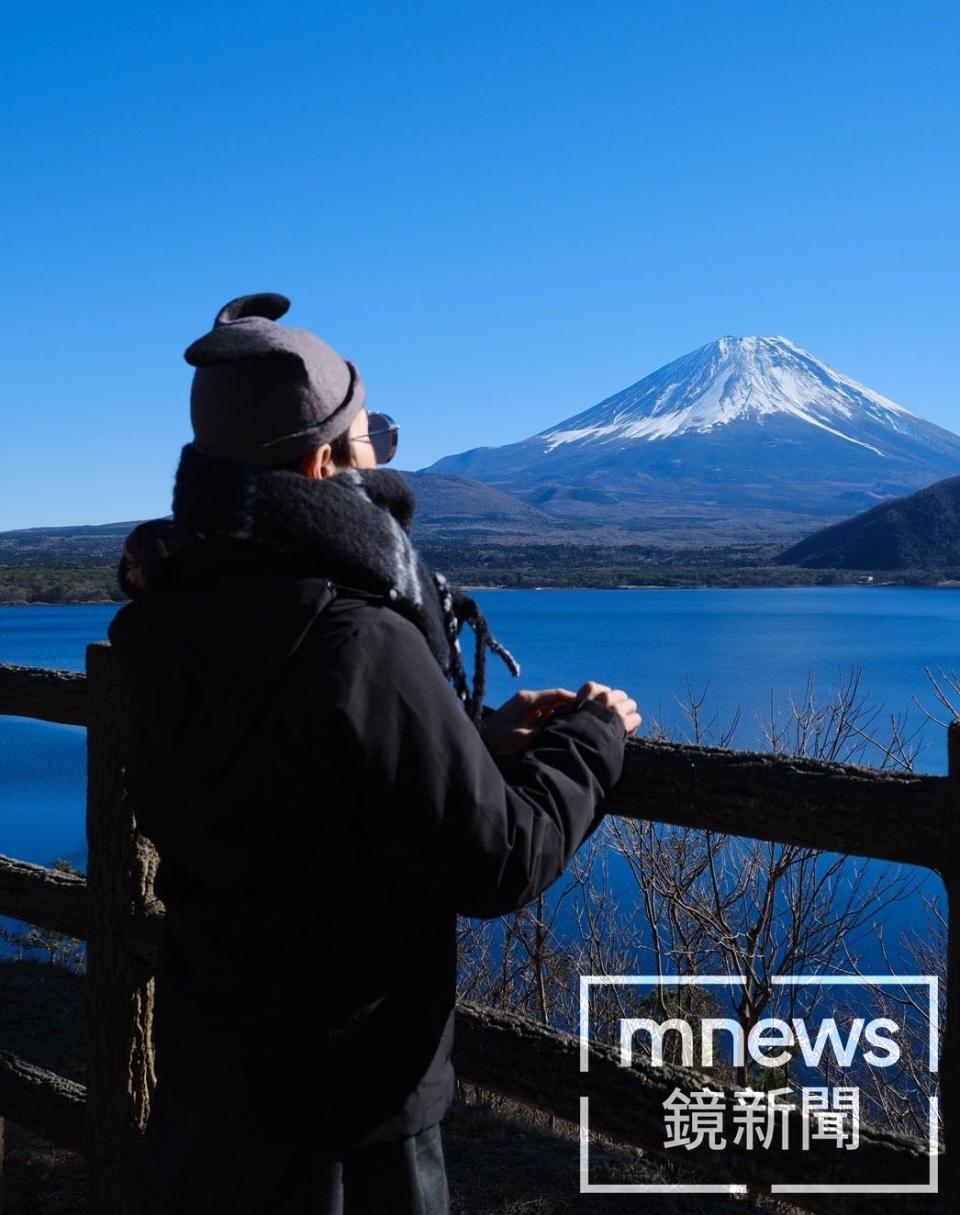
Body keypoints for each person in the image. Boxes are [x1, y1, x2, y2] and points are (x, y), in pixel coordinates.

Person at [108, 292, 641, 1215]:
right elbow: (499, 859)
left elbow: (290, 780)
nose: (383, 462)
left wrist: (462, 740)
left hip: (207, 1088)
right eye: (371, 441)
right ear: (322, 463)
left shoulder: (163, 617)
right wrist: (595, 738)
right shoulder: (355, 637)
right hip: (346, 1116)